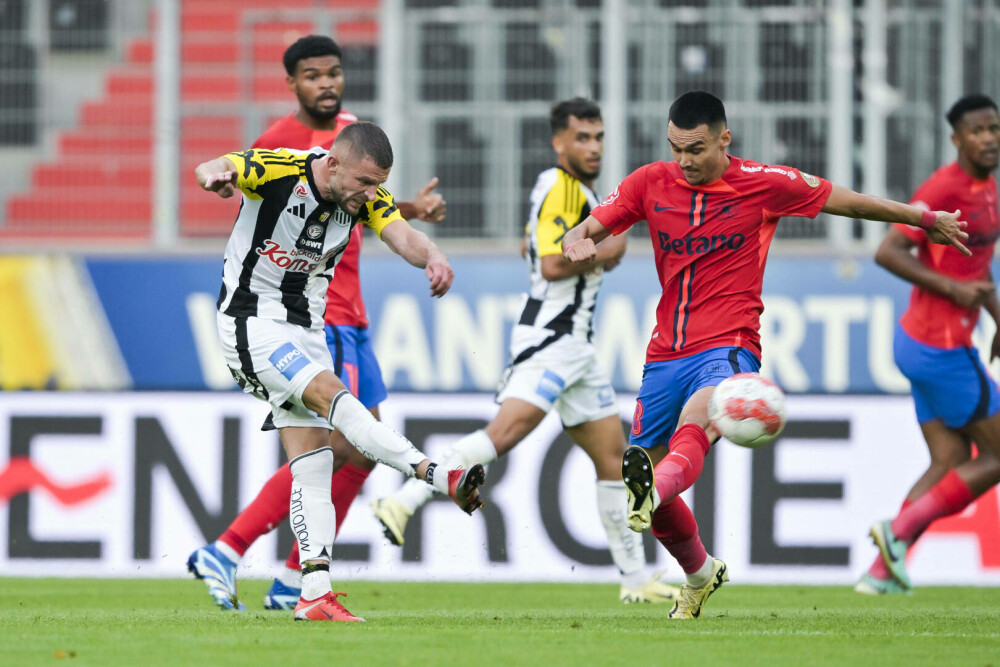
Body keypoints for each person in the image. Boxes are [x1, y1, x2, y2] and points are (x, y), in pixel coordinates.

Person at [561, 90, 969, 620]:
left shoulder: (765, 183)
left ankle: (650, 489)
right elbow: (595, 222)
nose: (685, 160)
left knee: (691, 426)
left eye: (697, 148)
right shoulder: (649, 182)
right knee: (656, 504)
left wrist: (920, 218)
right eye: (676, 148)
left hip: (729, 343)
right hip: (664, 354)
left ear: (724, 138)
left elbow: (850, 201)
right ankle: (701, 572)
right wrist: (576, 236)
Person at [370, 98, 680, 604]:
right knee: (505, 434)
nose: (594, 146)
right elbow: (555, 264)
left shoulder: (573, 191)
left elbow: (531, 247)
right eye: (582, 137)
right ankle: (402, 501)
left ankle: (633, 580)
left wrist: (579, 251)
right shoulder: (560, 185)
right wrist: (610, 249)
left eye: (599, 137)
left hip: (576, 346)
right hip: (552, 340)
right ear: (559, 141)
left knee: (611, 458)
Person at [186, 35, 447, 614]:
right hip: (308, 316)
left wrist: (412, 217)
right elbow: (250, 197)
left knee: (352, 449)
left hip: (351, 312)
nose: (327, 85)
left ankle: (290, 578)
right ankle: (245, 557)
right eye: (313, 75)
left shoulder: (356, 137)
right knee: (345, 440)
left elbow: (371, 201)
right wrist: (214, 173)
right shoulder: (277, 148)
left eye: (334, 73)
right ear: (292, 84)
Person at [858, 94, 1000, 595]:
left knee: (949, 459)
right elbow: (887, 250)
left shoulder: (989, 191)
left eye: (993, 129)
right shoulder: (944, 187)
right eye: (977, 131)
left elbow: (976, 273)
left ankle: (881, 572)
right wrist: (955, 292)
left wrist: (996, 316)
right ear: (956, 139)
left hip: (929, 344)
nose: (988, 138)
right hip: (939, 346)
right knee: (999, 453)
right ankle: (896, 532)